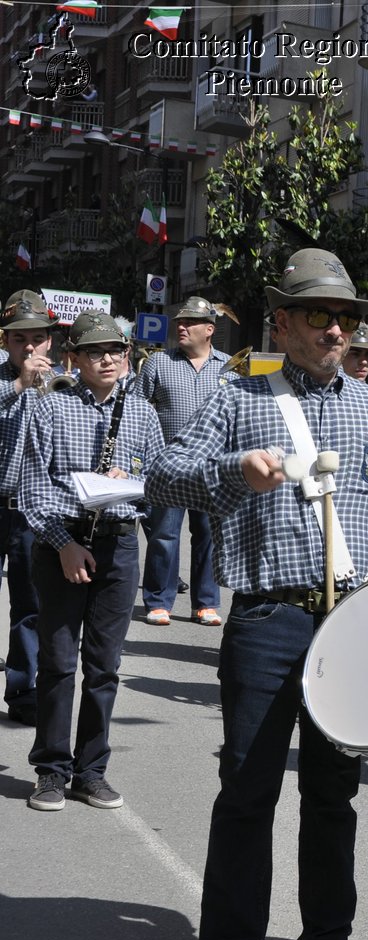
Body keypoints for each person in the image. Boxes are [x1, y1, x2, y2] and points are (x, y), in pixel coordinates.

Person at [145, 248, 368, 940]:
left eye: (347, 317)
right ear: (282, 320)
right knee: (247, 790)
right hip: (266, 617)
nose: (336, 329)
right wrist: (230, 471)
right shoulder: (239, 390)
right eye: (319, 314)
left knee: (333, 795)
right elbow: (164, 475)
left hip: (353, 620)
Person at [22, 312, 162, 812]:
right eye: (96, 352)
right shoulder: (50, 408)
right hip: (63, 544)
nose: (108, 359)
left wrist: (136, 480)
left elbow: (159, 482)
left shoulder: (143, 413)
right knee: (58, 662)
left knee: (105, 667)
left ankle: (92, 771)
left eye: (117, 351)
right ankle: (51, 771)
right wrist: (63, 544)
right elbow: (32, 487)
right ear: (73, 358)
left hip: (118, 545)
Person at [134, 295, 233, 627]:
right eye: (179, 321)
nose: (181, 326)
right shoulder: (158, 363)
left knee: (209, 536)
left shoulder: (231, 367)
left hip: (213, 468)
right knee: (164, 535)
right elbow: (136, 409)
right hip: (168, 468)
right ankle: (158, 600)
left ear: (209, 329)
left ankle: (205, 603)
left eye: (189, 322)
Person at [0, 289, 58, 725]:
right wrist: (19, 384)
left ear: (49, 341)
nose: (30, 347)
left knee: (29, 606)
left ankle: (22, 692)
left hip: (30, 511)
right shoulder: (5, 380)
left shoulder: (61, 386)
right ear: (6, 342)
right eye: (21, 340)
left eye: (37, 338)